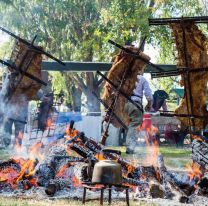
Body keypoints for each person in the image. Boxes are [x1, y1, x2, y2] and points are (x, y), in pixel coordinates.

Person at [124, 74, 153, 154]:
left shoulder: (127, 76)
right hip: (135, 104)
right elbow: (148, 94)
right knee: (134, 125)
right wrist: (149, 104)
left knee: (129, 125)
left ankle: (129, 145)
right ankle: (130, 148)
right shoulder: (142, 79)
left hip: (125, 104)